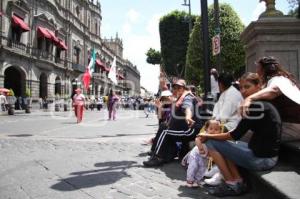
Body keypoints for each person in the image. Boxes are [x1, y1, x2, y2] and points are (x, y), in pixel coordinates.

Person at [198, 72, 282, 197]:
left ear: (258, 86)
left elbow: (233, 135)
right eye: (241, 87)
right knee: (224, 143)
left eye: (247, 87)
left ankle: (232, 184)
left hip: (262, 160)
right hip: (263, 153)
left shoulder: (256, 107)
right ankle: (237, 181)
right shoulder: (260, 104)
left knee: (212, 142)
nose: (243, 91)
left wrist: (207, 136)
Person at [143, 79, 204, 167]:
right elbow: (162, 118)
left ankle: (158, 157)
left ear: (184, 88)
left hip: (190, 130)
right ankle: (156, 151)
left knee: (165, 132)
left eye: (179, 88)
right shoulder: (178, 99)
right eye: (175, 88)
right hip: (183, 128)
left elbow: (187, 108)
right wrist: (160, 107)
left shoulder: (187, 97)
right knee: (163, 126)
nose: (176, 90)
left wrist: (188, 117)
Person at [241, 56, 300, 124]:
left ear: (263, 70)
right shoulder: (278, 79)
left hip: (293, 124)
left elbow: (273, 90)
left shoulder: (278, 79)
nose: (256, 71)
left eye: (258, 68)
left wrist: (249, 98)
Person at [182, 120, 223, 187]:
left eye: (216, 129)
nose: (213, 131)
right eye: (211, 128)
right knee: (193, 166)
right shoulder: (205, 135)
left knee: (202, 169)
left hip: (205, 157)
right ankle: (189, 180)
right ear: (206, 129)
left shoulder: (217, 138)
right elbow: (197, 139)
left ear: (220, 131)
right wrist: (200, 148)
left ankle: (196, 181)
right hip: (196, 154)